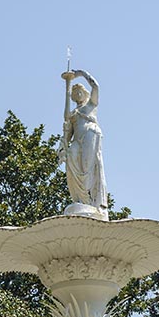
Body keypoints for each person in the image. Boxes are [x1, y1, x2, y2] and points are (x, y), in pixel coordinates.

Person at [59, 69, 108, 217]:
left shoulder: (91, 105)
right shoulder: (73, 114)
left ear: (85, 93)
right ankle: (81, 199)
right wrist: (68, 85)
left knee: (87, 167)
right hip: (77, 141)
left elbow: (96, 87)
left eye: (80, 91)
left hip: (90, 135)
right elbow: (67, 119)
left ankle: (90, 201)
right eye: (75, 92)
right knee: (72, 162)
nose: (78, 94)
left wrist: (82, 74)